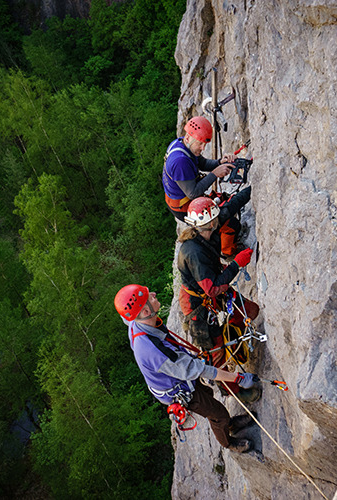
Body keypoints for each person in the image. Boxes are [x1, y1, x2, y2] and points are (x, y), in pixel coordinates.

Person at [115, 284, 256, 453]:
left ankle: (229, 425)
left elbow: (127, 316)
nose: (154, 294)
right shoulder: (152, 350)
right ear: (146, 312)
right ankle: (229, 442)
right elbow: (199, 370)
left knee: (207, 394)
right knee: (217, 414)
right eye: (150, 297)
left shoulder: (136, 320)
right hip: (176, 388)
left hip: (175, 374)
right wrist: (239, 378)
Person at [177, 195, 261, 403]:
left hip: (206, 292)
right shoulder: (194, 252)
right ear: (210, 223)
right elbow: (212, 288)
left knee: (249, 310)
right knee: (216, 355)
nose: (217, 223)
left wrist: (250, 190)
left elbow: (229, 208)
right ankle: (234, 390)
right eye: (215, 221)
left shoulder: (204, 233)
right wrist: (236, 264)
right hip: (198, 307)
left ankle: (233, 341)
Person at [162, 115, 244, 257]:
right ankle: (227, 253)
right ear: (188, 138)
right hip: (183, 205)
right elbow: (193, 193)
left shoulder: (183, 145)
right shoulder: (179, 161)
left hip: (183, 197)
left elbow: (202, 163)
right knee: (223, 221)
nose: (202, 148)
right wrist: (214, 174)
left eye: (204, 144)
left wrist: (219, 162)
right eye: (200, 144)